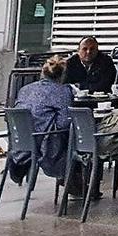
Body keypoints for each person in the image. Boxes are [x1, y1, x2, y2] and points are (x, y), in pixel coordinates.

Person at [7, 56, 74, 189]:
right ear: (63, 75)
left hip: (20, 144)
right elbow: (63, 124)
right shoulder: (63, 91)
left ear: (42, 73)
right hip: (45, 147)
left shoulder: (25, 89)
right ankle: (78, 186)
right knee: (77, 144)